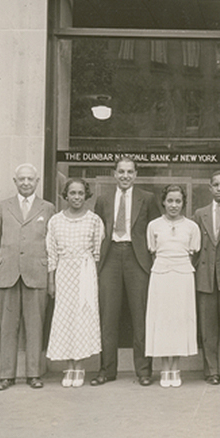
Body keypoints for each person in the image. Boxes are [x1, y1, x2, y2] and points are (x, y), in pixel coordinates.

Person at [0, 163, 56, 391]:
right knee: (7, 327)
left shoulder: (47, 208)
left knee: (35, 327)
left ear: (37, 182)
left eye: (30, 179)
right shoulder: (2, 207)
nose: (26, 182)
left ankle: (33, 373)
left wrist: (51, 277)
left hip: (36, 273)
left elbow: (53, 244)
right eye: (21, 179)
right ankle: (6, 375)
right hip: (7, 272)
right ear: (15, 182)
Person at [91, 157, 159, 387]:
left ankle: (143, 371)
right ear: (114, 174)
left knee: (140, 316)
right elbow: (98, 231)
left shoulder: (147, 199)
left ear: (136, 174)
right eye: (121, 171)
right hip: (110, 257)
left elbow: (155, 231)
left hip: (136, 258)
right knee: (108, 316)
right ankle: (107, 370)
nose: (125, 176)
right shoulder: (103, 199)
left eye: (130, 172)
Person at [46, 178, 105, 388]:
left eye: (80, 193)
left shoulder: (94, 220)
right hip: (64, 272)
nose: (77, 197)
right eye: (73, 193)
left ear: (86, 195)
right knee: (65, 317)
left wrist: (94, 280)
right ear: (66, 195)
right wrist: (51, 281)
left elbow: (98, 253)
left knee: (83, 317)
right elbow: (51, 253)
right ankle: (68, 366)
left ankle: (79, 366)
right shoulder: (55, 221)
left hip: (85, 273)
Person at [145, 184, 200, 388]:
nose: (174, 205)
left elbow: (194, 252)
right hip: (160, 275)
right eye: (170, 201)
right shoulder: (153, 226)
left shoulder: (192, 227)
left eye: (178, 201)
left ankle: (175, 368)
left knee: (179, 321)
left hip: (183, 276)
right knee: (162, 320)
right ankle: (163, 369)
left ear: (183, 203)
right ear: (163, 202)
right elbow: (152, 251)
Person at [192, 171, 220, 385]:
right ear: (210, 188)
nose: (219, 188)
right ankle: (211, 371)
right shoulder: (200, 214)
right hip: (206, 276)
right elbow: (195, 247)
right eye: (215, 185)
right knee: (208, 327)